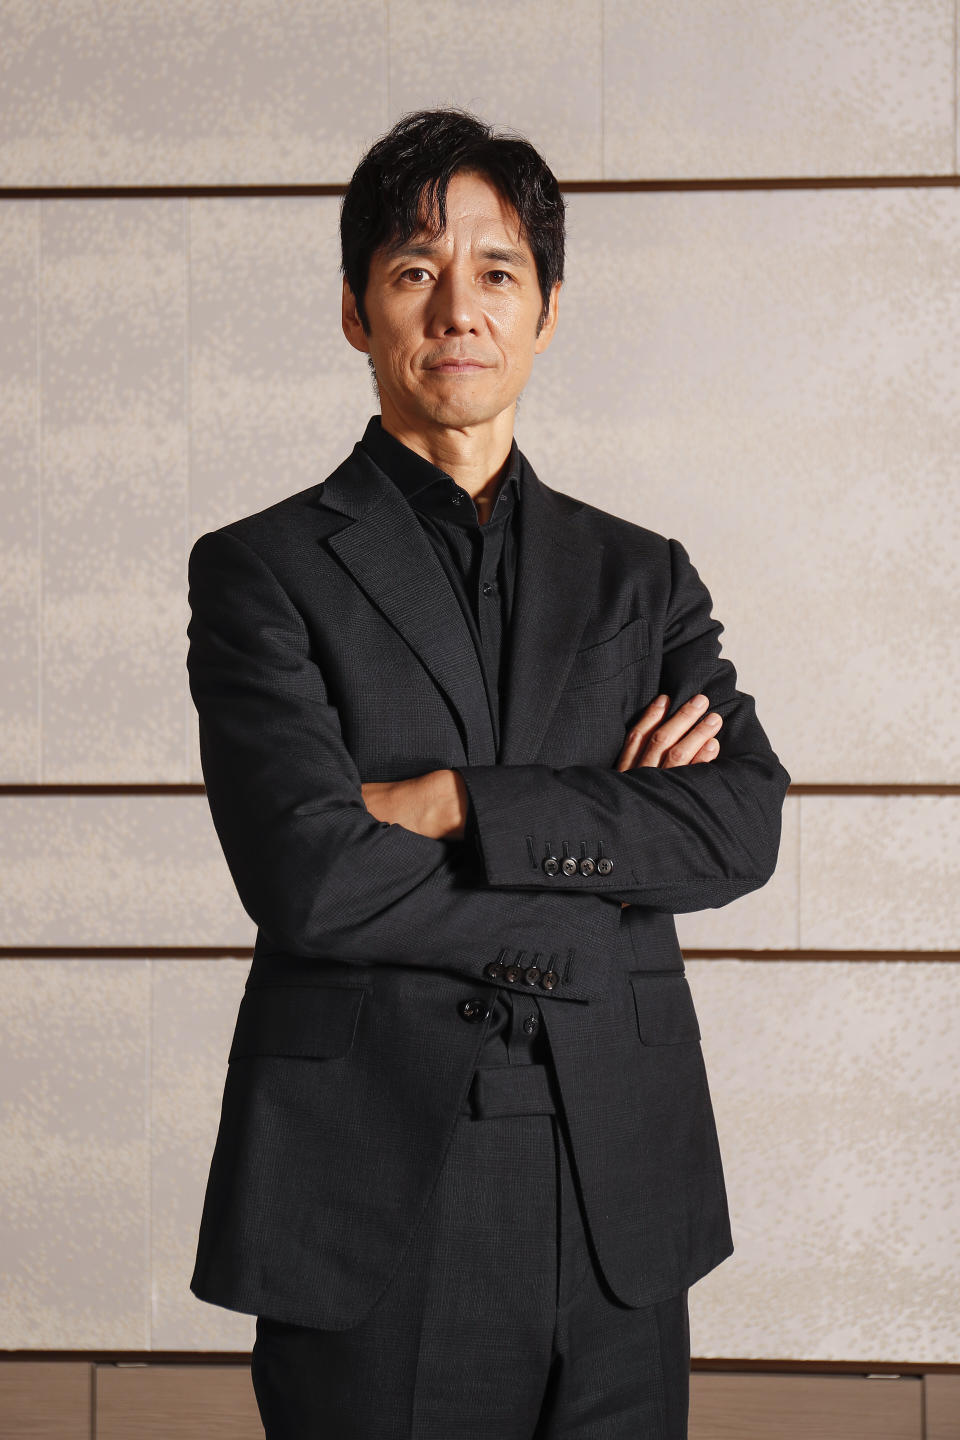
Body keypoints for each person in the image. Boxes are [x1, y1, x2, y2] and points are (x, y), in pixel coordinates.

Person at [185, 107, 790, 1439]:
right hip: (376, 1197)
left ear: (547, 310)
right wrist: (610, 876)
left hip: (622, 1194)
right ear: (357, 312)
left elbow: (742, 825)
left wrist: (461, 804)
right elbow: (315, 883)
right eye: (414, 271)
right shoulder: (261, 573)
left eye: (496, 271)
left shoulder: (643, 577)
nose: (458, 306)